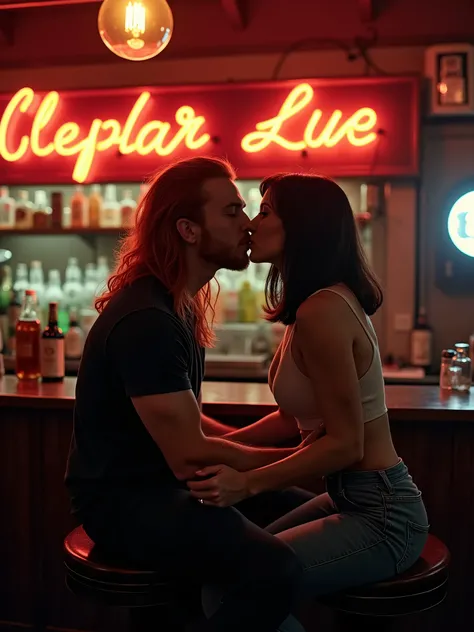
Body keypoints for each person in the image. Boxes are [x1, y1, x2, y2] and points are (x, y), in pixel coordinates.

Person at [64, 157, 315, 632]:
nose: (247, 224)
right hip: (126, 505)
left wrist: (276, 452)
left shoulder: (175, 306)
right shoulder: (148, 322)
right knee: (277, 569)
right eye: (232, 211)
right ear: (188, 229)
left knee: (303, 506)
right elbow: (189, 455)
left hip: (166, 490)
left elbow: (191, 424)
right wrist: (296, 458)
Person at [188, 174, 430, 612]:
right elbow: (291, 418)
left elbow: (345, 443)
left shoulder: (323, 310)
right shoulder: (312, 306)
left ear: (301, 227)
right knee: (225, 570)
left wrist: (247, 482)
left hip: (384, 516)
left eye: (264, 213)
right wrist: (221, 447)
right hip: (353, 498)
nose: (250, 225)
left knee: (227, 589)